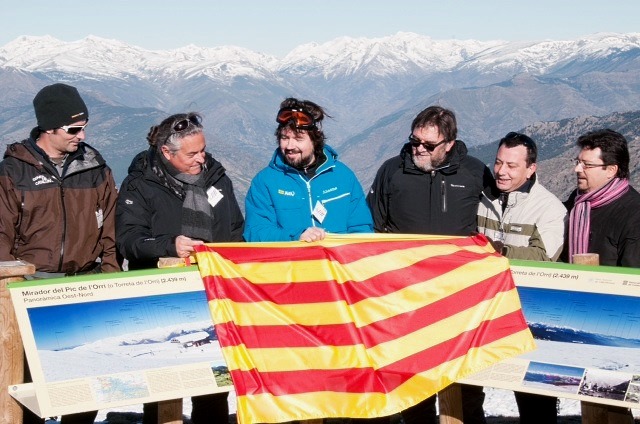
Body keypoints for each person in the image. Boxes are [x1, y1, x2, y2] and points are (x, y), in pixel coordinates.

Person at [0, 83, 119, 423]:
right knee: (28, 383)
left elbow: (109, 230)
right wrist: (8, 290)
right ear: (48, 127)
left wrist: (110, 279)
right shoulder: (13, 172)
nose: (81, 135)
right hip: (29, 286)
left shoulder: (96, 169)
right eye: (73, 129)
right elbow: (1, 233)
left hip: (85, 284)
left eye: (84, 127)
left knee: (85, 381)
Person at [367, 105, 493, 424]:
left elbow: (494, 224)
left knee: (465, 390)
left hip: (461, 299)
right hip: (405, 300)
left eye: (428, 144)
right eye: (415, 141)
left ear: (449, 143)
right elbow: (373, 228)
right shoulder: (391, 171)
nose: (419, 149)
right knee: (414, 388)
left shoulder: (475, 173)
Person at [115, 112, 244, 423]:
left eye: (202, 149)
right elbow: (128, 239)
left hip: (212, 290)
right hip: (161, 296)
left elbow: (235, 227)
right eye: (192, 153)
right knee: (162, 380)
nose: (202, 158)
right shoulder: (140, 185)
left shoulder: (216, 178)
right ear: (166, 152)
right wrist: (169, 245)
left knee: (215, 378)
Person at [476, 132, 566, 423]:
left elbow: (544, 257)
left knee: (532, 393)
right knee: (471, 384)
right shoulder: (482, 196)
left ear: (531, 169)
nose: (501, 171)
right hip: (484, 307)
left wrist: (496, 250)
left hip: (528, 311)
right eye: (498, 162)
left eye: (512, 166)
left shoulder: (549, 208)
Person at [243, 97, 373, 243]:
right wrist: (296, 237)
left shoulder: (343, 176)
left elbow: (361, 228)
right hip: (290, 264)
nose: (290, 146)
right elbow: (256, 232)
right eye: (285, 138)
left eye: (298, 139)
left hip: (336, 264)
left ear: (315, 140)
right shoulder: (265, 182)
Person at [563, 129, 640, 267]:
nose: (577, 169)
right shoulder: (577, 200)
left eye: (587, 165)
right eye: (578, 162)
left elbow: (633, 273)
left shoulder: (634, 214)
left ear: (611, 170)